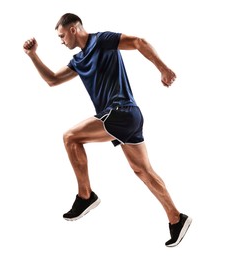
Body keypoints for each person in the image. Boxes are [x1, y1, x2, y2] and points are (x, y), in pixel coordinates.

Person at [23, 13, 192, 247]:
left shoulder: (101, 40)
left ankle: (85, 196)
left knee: (71, 137)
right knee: (143, 171)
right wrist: (33, 55)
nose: (61, 41)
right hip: (124, 119)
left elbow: (138, 42)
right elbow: (52, 79)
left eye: (62, 35)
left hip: (121, 112)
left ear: (73, 29)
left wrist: (163, 68)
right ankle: (176, 218)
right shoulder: (78, 61)